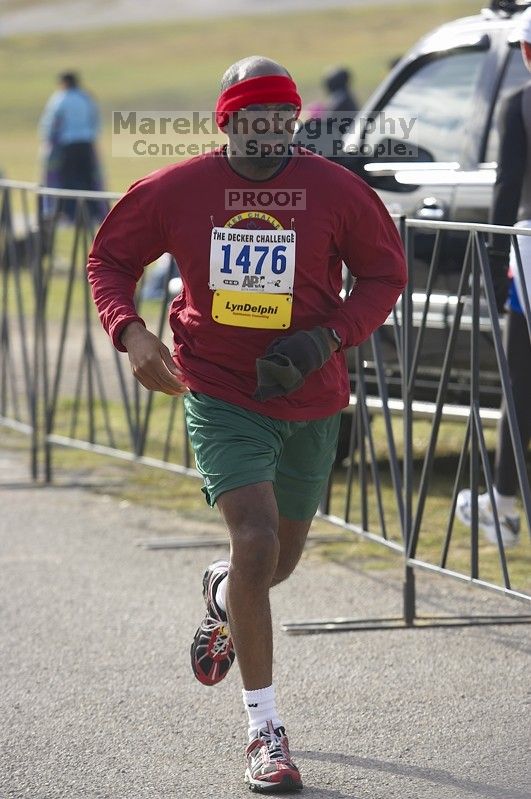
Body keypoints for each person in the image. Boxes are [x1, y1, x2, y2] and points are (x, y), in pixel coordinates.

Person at [87, 55, 407, 793]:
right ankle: (265, 730)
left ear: (296, 122)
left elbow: (385, 272)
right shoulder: (181, 188)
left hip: (311, 395)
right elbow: (110, 256)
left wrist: (330, 336)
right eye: (252, 121)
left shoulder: (332, 188)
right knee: (257, 539)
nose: (268, 133)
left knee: (274, 564)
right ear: (225, 122)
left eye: (281, 120)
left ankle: (222, 590)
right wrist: (132, 335)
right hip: (221, 389)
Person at [456, 9, 531, 548]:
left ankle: (503, 505)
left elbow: (506, 191)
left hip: (530, 251)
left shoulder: (519, 103)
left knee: (519, 380)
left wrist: (491, 260)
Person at [39, 71, 106, 220]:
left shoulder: (60, 98)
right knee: (88, 178)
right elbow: (96, 119)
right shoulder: (86, 97)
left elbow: (50, 122)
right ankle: (93, 211)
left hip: (68, 143)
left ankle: (71, 213)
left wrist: (48, 141)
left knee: (69, 179)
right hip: (87, 143)